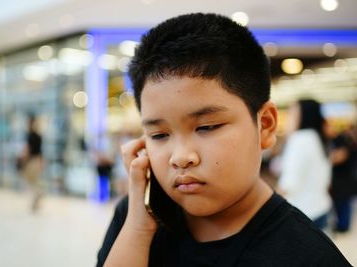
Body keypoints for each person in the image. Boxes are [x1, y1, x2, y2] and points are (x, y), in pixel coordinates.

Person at [96, 13, 352, 266]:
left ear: (264, 125)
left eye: (207, 127)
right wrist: (139, 230)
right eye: (159, 135)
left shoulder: (310, 257)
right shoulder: (135, 218)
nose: (181, 157)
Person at [277, 99, 332, 230]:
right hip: (320, 207)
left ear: (303, 115)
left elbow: (289, 184)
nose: (288, 119)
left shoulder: (300, 140)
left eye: (292, 113)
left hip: (302, 212)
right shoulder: (318, 137)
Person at [329, 125, 357, 233]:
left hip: (343, 179)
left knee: (343, 203)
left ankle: (343, 226)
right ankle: (342, 224)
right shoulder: (347, 141)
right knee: (342, 203)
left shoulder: (344, 140)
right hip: (344, 178)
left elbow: (340, 156)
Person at [19, 115, 44, 212]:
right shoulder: (38, 135)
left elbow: (28, 150)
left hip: (32, 161)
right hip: (37, 160)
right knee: (34, 180)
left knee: (30, 180)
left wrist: (23, 160)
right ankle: (36, 197)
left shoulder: (31, 135)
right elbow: (41, 151)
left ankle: (38, 193)